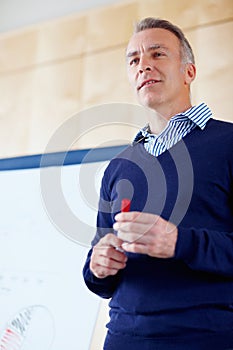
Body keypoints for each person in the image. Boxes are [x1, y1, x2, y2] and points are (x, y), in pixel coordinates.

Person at [82, 17, 233, 350]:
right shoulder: (118, 167)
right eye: (134, 60)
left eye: (157, 54)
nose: (143, 65)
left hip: (207, 339)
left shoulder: (230, 142)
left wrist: (180, 242)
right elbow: (101, 279)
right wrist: (97, 265)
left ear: (188, 72)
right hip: (122, 339)